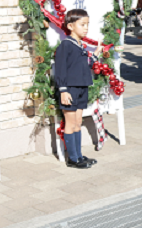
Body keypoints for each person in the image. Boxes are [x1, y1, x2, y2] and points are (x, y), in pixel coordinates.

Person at [55, 9, 103, 169]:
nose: (86, 28)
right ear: (70, 26)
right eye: (82, 24)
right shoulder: (66, 45)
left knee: (77, 123)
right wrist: (63, 90)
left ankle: (79, 155)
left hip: (82, 88)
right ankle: (73, 159)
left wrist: (95, 54)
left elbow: (83, 66)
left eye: (87, 25)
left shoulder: (80, 46)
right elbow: (60, 69)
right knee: (70, 124)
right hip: (70, 89)